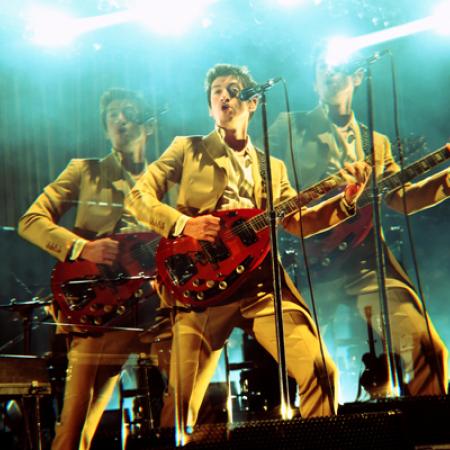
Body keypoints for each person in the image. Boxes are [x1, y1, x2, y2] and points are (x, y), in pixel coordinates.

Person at [124, 63, 371, 436]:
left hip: (260, 285)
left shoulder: (272, 167)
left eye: (234, 89)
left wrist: (346, 200)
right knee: (180, 407)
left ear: (253, 102)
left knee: (320, 371)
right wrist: (184, 224)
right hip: (202, 289)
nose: (225, 96)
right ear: (210, 106)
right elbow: (138, 197)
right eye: (217, 92)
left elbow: (299, 221)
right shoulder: (187, 149)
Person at [268, 46, 450, 398]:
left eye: (339, 67)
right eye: (323, 67)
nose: (331, 72)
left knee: (429, 349)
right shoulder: (287, 127)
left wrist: (447, 180)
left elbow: (403, 199)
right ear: (315, 81)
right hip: (303, 266)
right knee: (306, 370)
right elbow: (259, 177)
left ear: (357, 77)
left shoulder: (376, 143)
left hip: (364, 265)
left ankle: (431, 427)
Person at [17, 88, 158, 450]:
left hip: (155, 310)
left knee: (186, 397)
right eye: (112, 115)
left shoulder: (167, 178)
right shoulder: (85, 171)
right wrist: (82, 248)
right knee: (75, 429)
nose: (120, 120)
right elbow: (30, 220)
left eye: (129, 112)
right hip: (99, 310)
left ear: (150, 126)